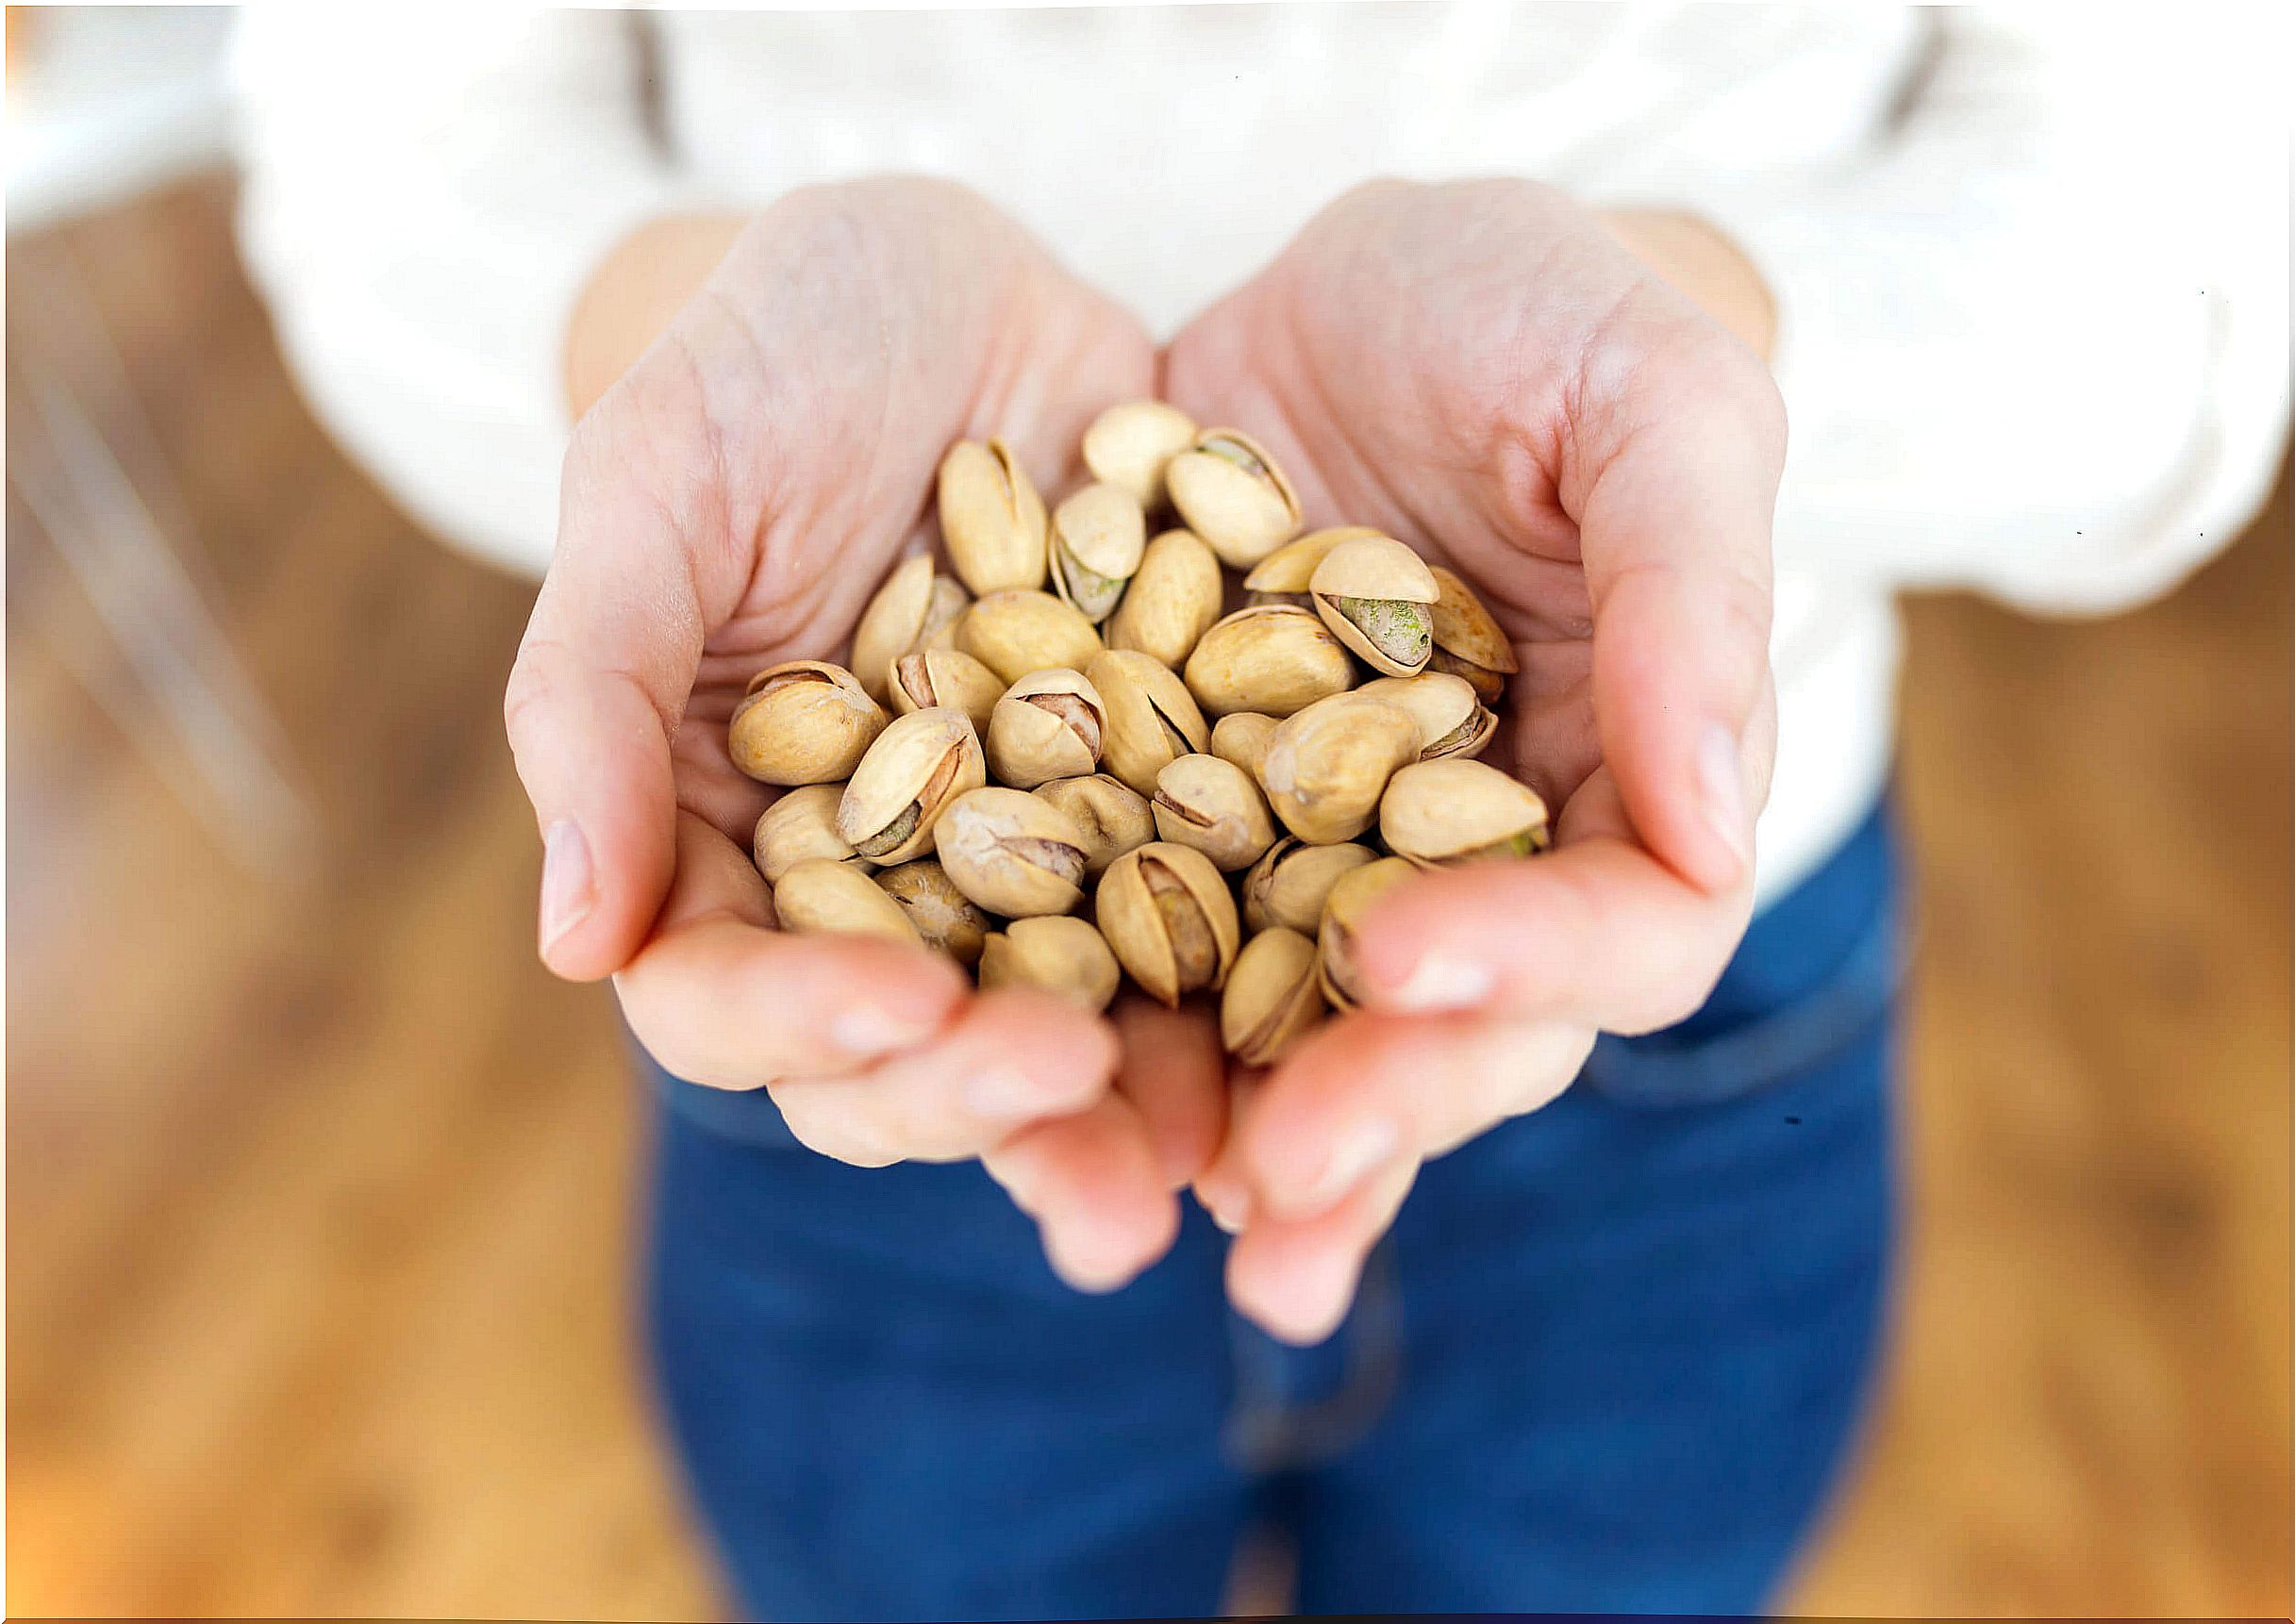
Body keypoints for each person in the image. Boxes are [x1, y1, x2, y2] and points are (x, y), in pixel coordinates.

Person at [230, 7, 2287, 1617]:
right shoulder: (983, 739)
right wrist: (667, 344)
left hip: (1670, 962)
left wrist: (1682, 363)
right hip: (873, 1037)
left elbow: (2190, 253)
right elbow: (382, 137)